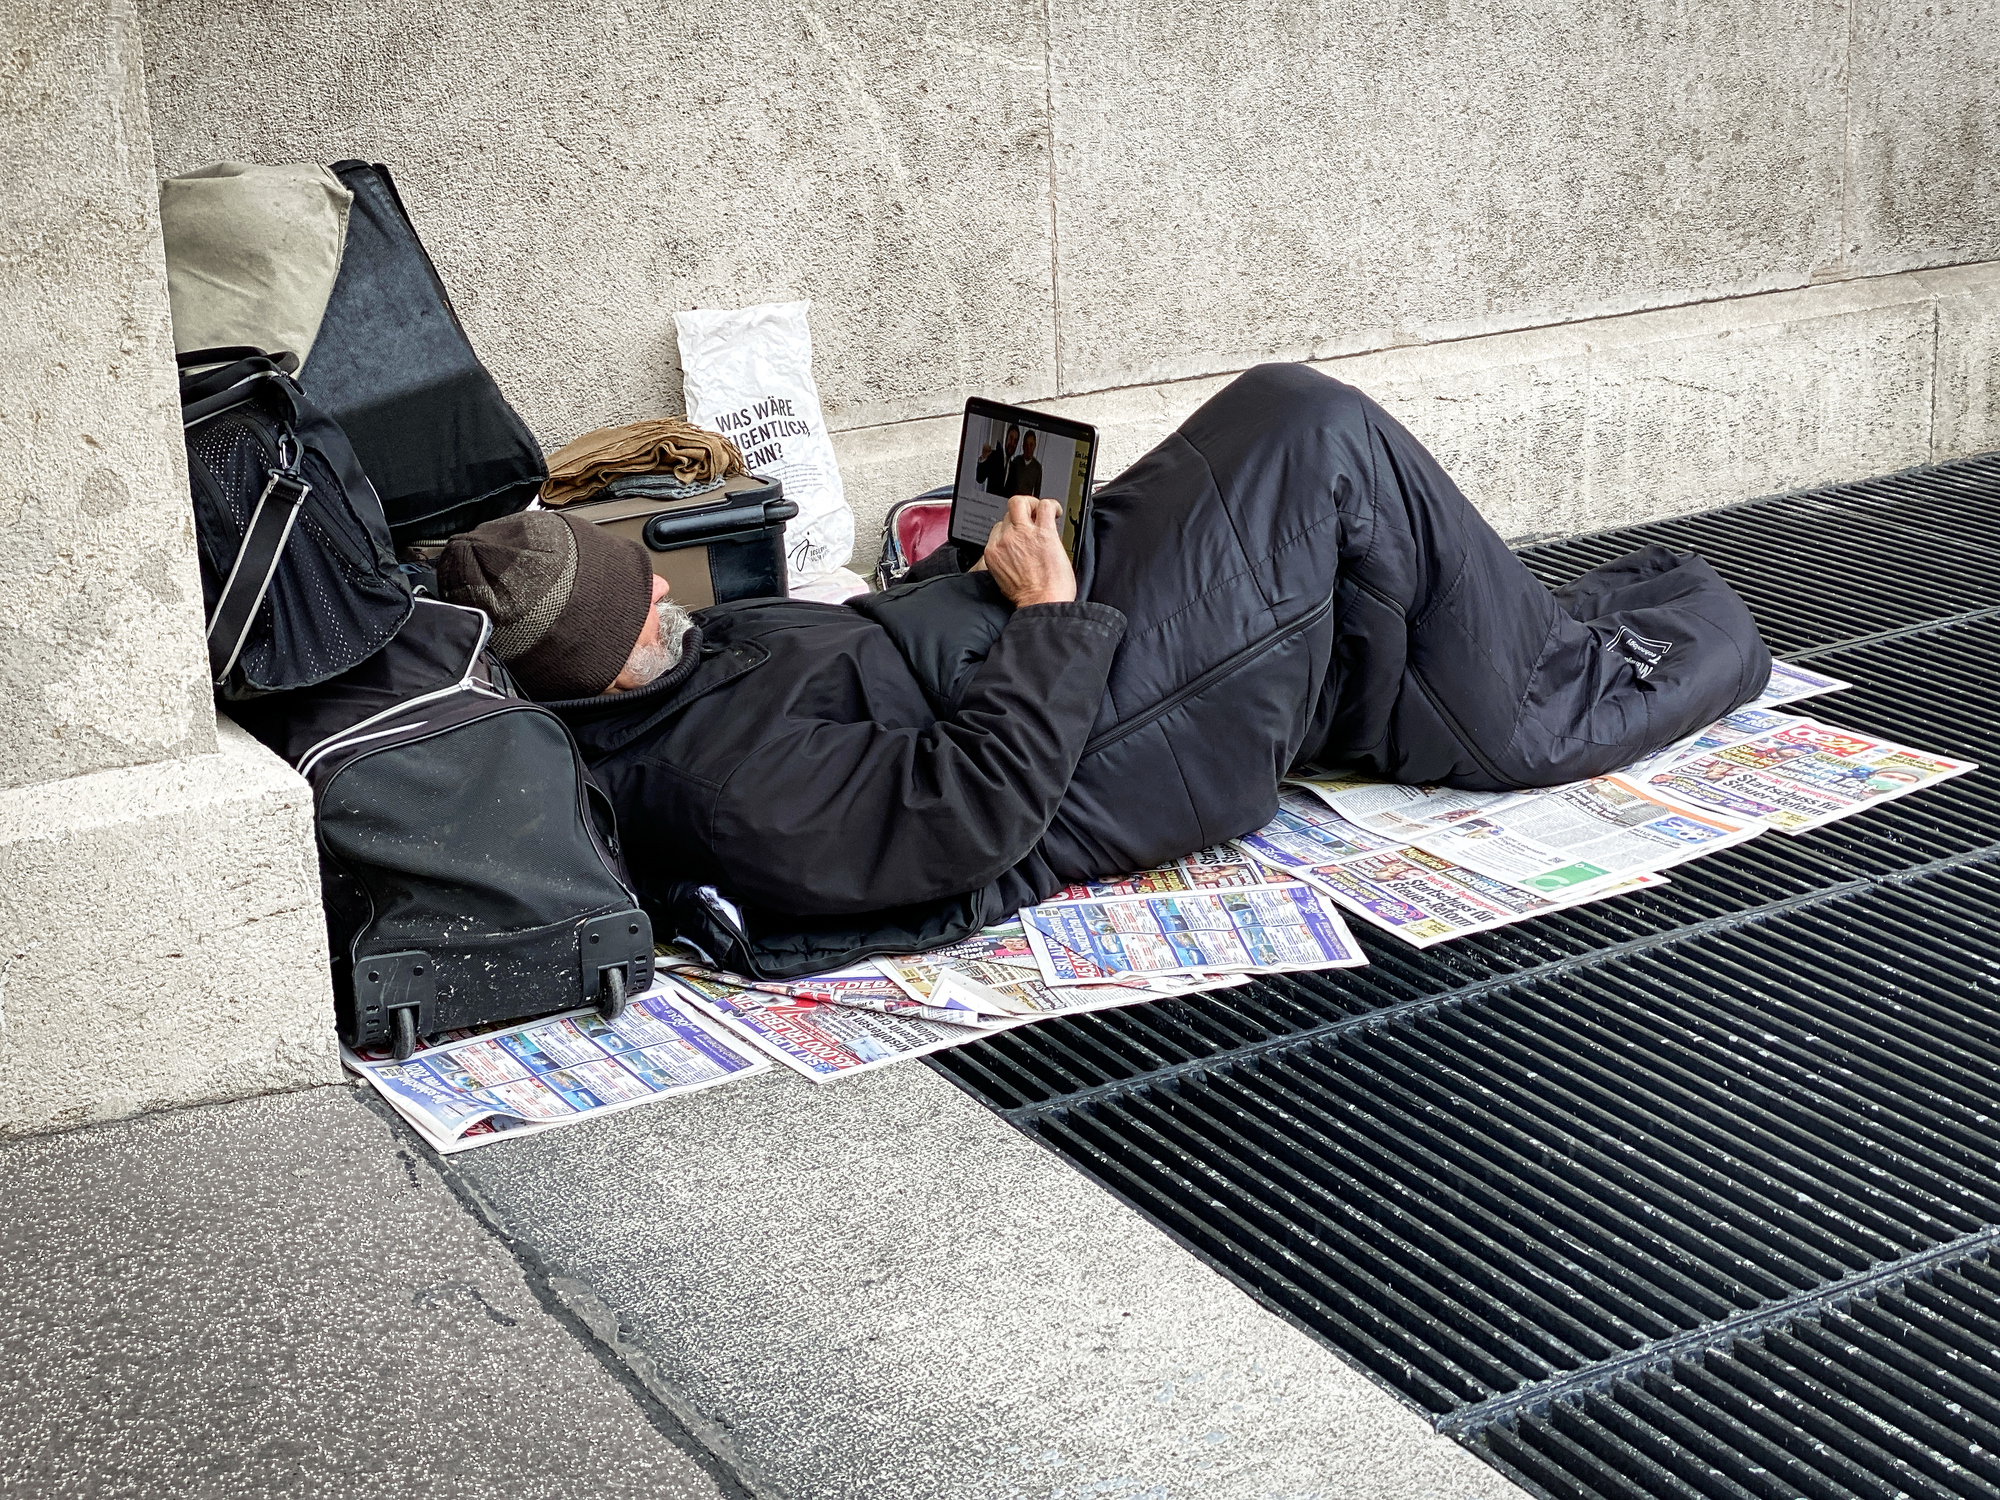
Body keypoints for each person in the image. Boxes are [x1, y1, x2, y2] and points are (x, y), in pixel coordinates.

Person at [438, 364, 1770, 977]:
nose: (668, 596)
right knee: (1319, 438)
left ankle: (1475, 653)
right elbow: (970, 816)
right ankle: (1567, 685)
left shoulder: (667, 686)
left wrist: (977, 572)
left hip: (1032, 638)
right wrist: (1045, 609)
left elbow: (846, 678)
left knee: (1266, 429)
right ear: (601, 682)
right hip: (1100, 726)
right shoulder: (724, 791)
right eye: (639, 609)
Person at [976, 424, 1018, 496]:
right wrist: (983, 458)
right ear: (1006, 438)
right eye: (1011, 438)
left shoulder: (1014, 468)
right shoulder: (994, 456)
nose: (1012, 443)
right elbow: (980, 479)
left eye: (1015, 441)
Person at [1006, 428, 1044, 499]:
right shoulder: (1016, 461)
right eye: (1026, 445)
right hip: (1014, 500)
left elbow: (1037, 494)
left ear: (1035, 446)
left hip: (1027, 503)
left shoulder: (1037, 468)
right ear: (1023, 446)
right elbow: (1008, 486)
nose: (1028, 448)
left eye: (1031, 445)